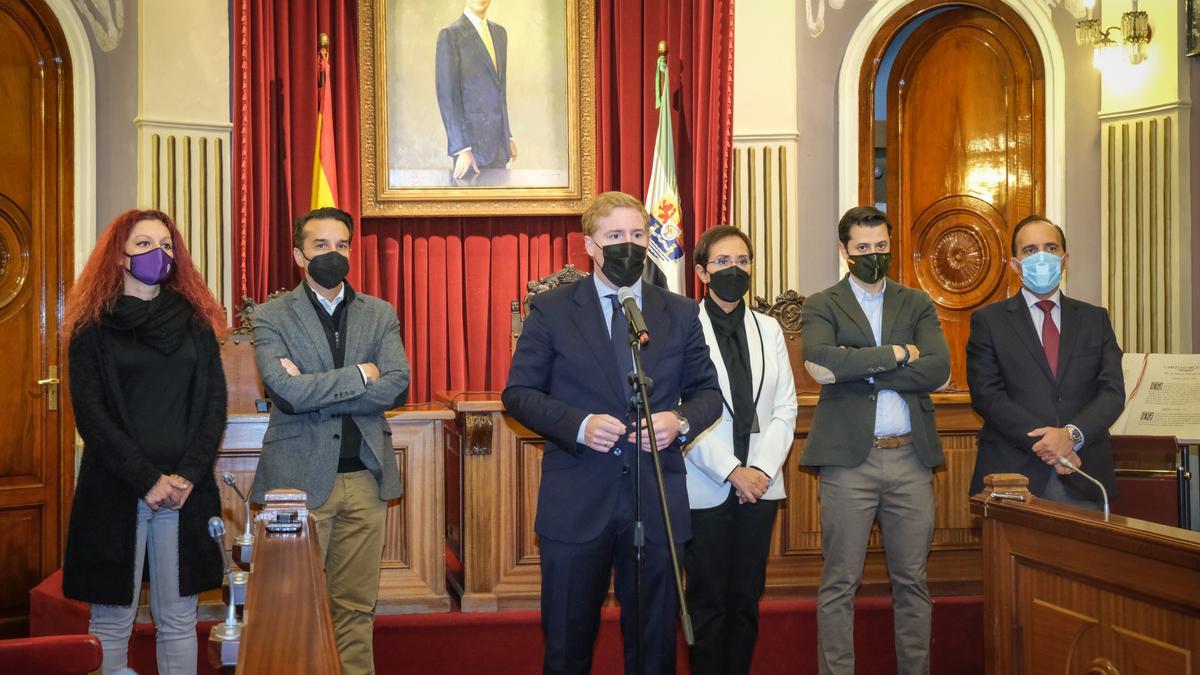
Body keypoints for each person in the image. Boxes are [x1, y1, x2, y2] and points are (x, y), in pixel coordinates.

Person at [503, 191, 723, 675]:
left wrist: (678, 421)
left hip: (656, 498)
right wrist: (579, 425)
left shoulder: (680, 312)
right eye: (616, 236)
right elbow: (518, 394)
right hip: (578, 500)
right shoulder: (554, 309)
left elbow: (708, 394)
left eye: (638, 235)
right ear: (591, 244)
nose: (629, 244)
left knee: (653, 648)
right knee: (567, 643)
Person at [62, 209, 229, 675]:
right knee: (113, 620)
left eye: (166, 244)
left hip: (182, 493)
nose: (159, 253)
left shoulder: (195, 323)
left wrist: (188, 475)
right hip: (118, 489)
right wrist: (146, 479)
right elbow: (91, 418)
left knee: (179, 619)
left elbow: (214, 404)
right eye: (144, 244)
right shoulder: (92, 328)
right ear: (119, 256)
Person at [249, 207, 410, 675]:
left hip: (364, 478)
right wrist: (362, 374)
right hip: (295, 481)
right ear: (300, 255)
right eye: (321, 246)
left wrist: (317, 386)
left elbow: (397, 385)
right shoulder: (271, 315)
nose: (332, 255)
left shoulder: (379, 313)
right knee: (290, 609)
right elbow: (287, 393)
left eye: (341, 245)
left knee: (356, 608)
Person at [800, 206, 951, 675]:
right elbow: (821, 364)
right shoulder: (822, 303)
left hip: (909, 458)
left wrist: (861, 368)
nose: (873, 255)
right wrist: (899, 355)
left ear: (890, 246)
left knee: (912, 581)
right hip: (849, 462)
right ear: (844, 251)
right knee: (840, 582)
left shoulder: (917, 302)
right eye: (862, 248)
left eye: (880, 247)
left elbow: (939, 369)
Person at [684, 226, 798, 675]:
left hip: (761, 488)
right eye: (723, 262)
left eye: (743, 261)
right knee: (707, 603)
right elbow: (681, 411)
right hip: (706, 483)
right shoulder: (682, 325)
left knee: (746, 600)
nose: (735, 270)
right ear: (701, 272)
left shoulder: (768, 328)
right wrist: (733, 471)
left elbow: (785, 408)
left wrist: (761, 470)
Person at [967, 215, 1125, 508]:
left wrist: (1071, 436)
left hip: (1082, 471)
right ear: (1015, 264)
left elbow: (1112, 392)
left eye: (1050, 248)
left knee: (1083, 555)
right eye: (1030, 250)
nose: (1041, 257)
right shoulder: (988, 321)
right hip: (1012, 474)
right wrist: (1050, 445)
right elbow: (987, 396)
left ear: (1065, 260)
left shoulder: (1095, 320)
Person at [436, 0, 516, 180]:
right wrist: (461, 148)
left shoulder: (500, 34)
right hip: (470, 152)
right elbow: (447, 97)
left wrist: (507, 135)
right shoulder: (450, 35)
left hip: (499, 148)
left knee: (502, 206)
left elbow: (499, 90)